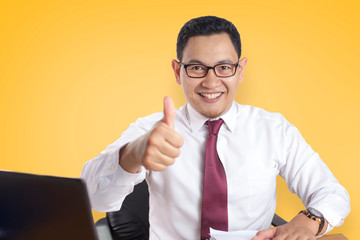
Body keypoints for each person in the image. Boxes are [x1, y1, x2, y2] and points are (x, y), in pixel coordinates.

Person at [81, 16, 350, 240]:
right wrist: (133, 154)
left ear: (240, 70)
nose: (211, 82)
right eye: (197, 68)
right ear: (178, 72)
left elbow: (332, 192)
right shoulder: (151, 130)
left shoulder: (274, 129)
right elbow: (92, 196)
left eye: (224, 67)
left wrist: (310, 220)